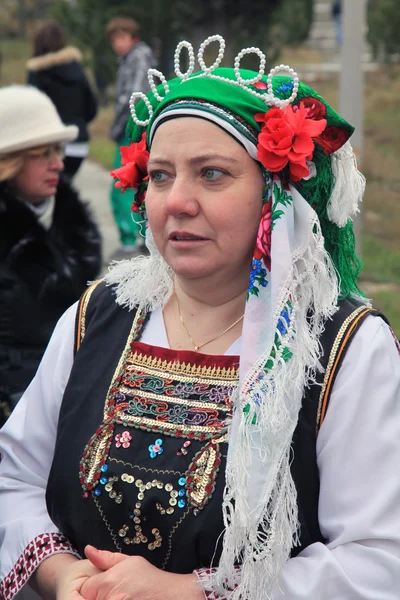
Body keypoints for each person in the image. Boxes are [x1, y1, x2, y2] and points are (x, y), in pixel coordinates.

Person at [1, 34, 400, 600]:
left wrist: (190, 592)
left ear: (275, 196)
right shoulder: (99, 317)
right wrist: (66, 575)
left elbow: (379, 561)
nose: (176, 201)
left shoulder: (343, 349)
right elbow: (11, 480)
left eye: (211, 174)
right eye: (160, 175)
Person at [0, 85, 102, 427]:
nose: (58, 164)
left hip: (67, 402)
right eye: (44, 153)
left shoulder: (71, 223)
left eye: (58, 151)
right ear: (9, 161)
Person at [106, 16, 154, 258]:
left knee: (123, 184)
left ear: (134, 38)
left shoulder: (138, 57)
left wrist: (117, 128)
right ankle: (141, 238)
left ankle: (133, 239)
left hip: (133, 128)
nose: (118, 43)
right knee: (134, 183)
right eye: (115, 39)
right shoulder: (128, 59)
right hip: (132, 127)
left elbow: (133, 97)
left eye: (122, 38)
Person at [27, 21, 98, 181]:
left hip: (48, 144)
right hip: (78, 144)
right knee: (64, 189)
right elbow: (92, 107)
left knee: (47, 194)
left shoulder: (37, 73)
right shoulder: (77, 70)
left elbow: (31, 111)